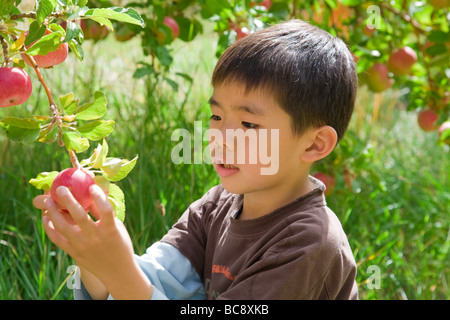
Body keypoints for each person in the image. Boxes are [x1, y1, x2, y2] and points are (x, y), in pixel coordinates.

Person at [33, 19, 359, 300]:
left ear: (315, 145)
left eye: (249, 124)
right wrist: (95, 259)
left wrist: (118, 271)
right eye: (216, 116)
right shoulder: (217, 205)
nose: (220, 137)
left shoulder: (310, 242)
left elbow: (131, 284)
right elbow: (156, 281)